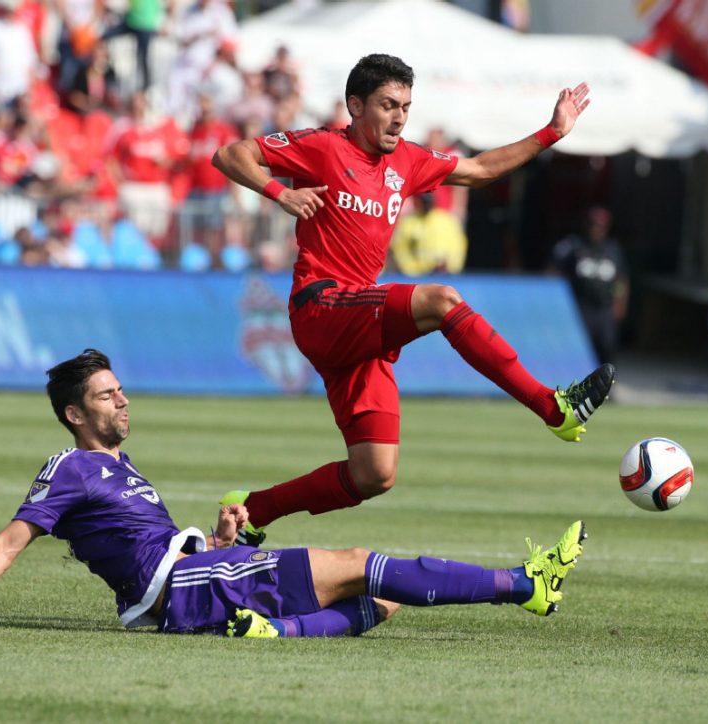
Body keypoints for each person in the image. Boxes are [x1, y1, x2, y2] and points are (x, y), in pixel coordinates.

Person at [0, 349, 589, 638]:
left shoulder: (123, 467)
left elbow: (145, 544)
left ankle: (269, 632)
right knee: (357, 560)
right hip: (182, 588)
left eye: (119, 388)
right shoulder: (71, 468)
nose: (122, 399)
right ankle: (523, 584)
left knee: (380, 598)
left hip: (193, 577)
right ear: (75, 414)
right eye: (106, 396)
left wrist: (220, 541)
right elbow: (13, 538)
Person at [213, 54, 615, 546]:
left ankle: (252, 510)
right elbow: (231, 155)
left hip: (359, 327)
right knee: (442, 300)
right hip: (322, 306)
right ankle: (553, 408)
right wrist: (281, 192)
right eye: (388, 105)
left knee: (374, 473)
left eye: (406, 106)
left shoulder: (408, 159)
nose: (400, 117)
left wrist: (551, 133)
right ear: (355, 106)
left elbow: (481, 168)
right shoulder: (321, 146)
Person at [550, 206, 629, 365]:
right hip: (582, 305)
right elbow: (555, 270)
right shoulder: (575, 246)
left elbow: (620, 280)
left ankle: (606, 383)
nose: (596, 230)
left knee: (607, 345)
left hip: (605, 307)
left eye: (600, 227)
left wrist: (619, 301)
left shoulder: (613, 250)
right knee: (581, 346)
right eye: (593, 225)